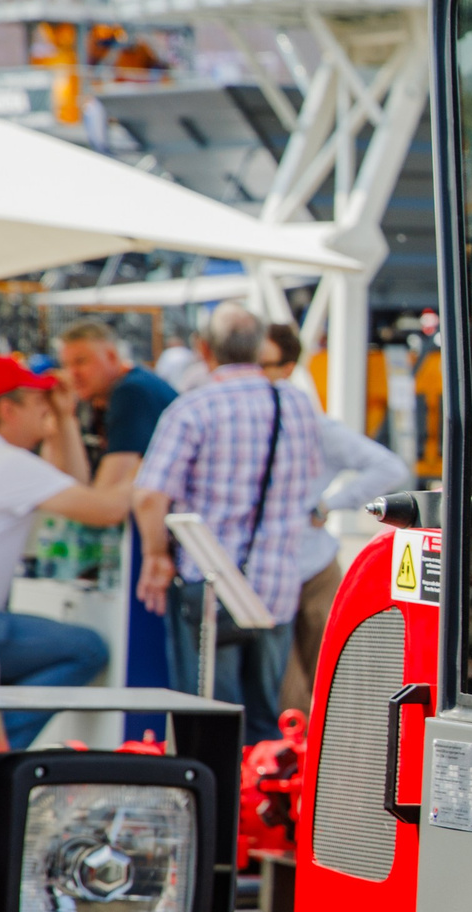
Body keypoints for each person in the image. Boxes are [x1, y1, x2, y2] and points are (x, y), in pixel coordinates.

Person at [134, 304, 326, 743]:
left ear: (204, 349)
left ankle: (213, 807)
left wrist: (156, 553)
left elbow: (148, 493)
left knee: (207, 723)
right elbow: (307, 482)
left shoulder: (193, 408)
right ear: (260, 346)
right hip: (276, 583)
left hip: (210, 584)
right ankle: (255, 807)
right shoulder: (296, 405)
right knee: (264, 727)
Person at [0, 358, 138, 749]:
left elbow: (73, 485)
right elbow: (104, 510)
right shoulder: (4, 465)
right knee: (87, 649)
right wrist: (148, 468)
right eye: (37, 404)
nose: (45, 411)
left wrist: (65, 419)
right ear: (7, 410)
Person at [261, 322, 413, 712]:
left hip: (310, 568)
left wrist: (328, 505)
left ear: (289, 366)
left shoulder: (313, 425)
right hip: (264, 573)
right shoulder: (244, 419)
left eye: (266, 364)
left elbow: (387, 467)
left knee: (337, 686)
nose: (256, 374)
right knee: (287, 697)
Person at [56, 321, 179, 698]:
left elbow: (104, 499)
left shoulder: (132, 392)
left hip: (154, 555)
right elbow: (80, 487)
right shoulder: (105, 398)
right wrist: (62, 418)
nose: (73, 373)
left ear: (112, 357)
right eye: (67, 363)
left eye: (83, 361)